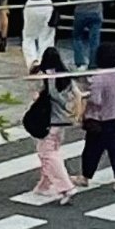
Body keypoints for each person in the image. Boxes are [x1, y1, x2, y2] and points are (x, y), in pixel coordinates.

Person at [24, 49, 80, 202]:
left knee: (48, 155)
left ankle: (66, 187)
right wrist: (77, 114)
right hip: (63, 121)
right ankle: (44, 185)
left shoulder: (47, 77)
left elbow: (35, 88)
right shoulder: (66, 76)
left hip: (49, 121)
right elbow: (78, 94)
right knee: (50, 152)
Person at [75, 45, 115, 190]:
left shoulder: (99, 77)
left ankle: (85, 176)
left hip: (100, 119)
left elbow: (96, 100)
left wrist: (84, 97)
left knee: (92, 149)